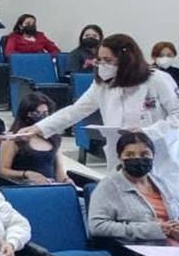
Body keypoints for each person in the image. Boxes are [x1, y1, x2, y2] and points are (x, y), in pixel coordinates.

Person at [20, 34, 179, 173]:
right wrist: (38, 128)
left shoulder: (157, 80)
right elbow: (75, 111)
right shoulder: (102, 85)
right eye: (99, 60)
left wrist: (149, 131)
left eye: (108, 60)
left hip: (158, 153)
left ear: (126, 60)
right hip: (120, 154)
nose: (103, 65)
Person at [88, 132, 179, 256]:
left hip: (173, 253)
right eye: (130, 154)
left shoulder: (161, 183)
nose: (138, 159)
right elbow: (97, 226)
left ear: (153, 156)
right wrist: (152, 229)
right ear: (119, 158)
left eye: (145, 154)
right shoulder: (109, 186)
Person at [0, 93, 68, 184]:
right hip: (25, 187)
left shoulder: (53, 138)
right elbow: (3, 171)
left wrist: (66, 180)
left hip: (50, 186)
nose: (42, 117)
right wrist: (26, 174)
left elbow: (60, 173)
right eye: (36, 113)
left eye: (45, 113)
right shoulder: (14, 139)